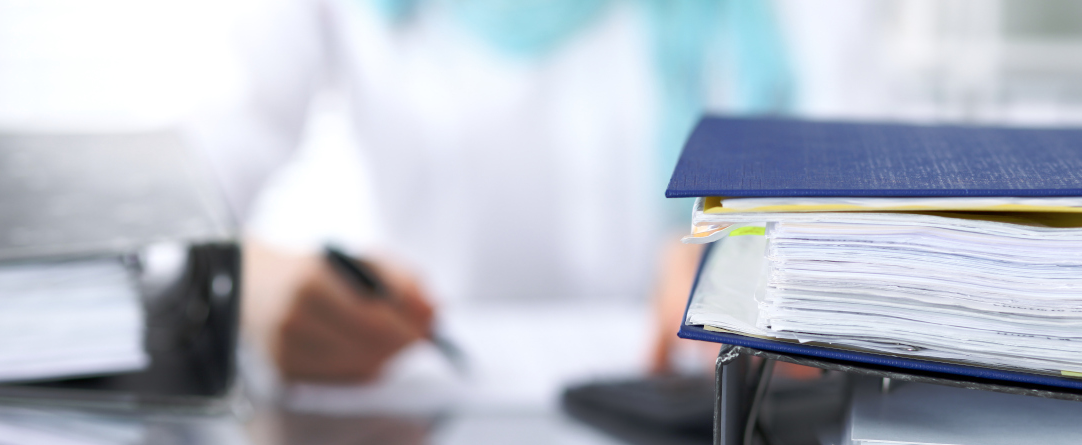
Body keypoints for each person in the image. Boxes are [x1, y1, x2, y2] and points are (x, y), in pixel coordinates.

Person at [192, 0, 794, 383]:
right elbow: (160, 209)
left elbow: (878, 196)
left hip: (692, 441)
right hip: (432, 442)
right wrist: (246, 282)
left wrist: (794, 263)